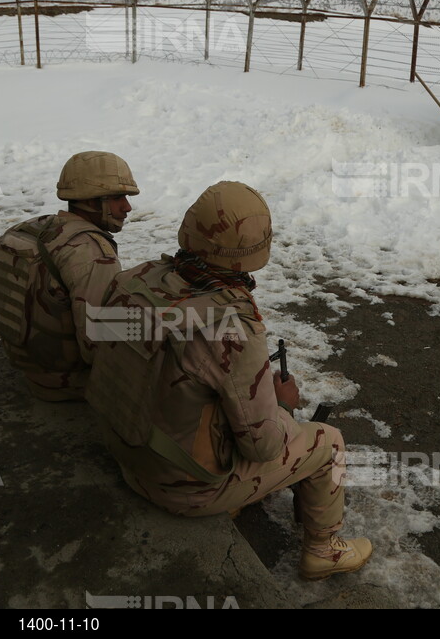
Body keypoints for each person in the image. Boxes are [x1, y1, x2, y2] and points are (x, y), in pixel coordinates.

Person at [86, 181, 372, 581]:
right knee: (330, 443)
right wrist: (282, 403)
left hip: (127, 456)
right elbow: (263, 445)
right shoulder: (231, 326)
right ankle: (322, 550)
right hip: (180, 489)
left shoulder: (136, 279)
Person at [0, 151, 139, 401]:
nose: (127, 207)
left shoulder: (32, 228)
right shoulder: (90, 252)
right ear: (91, 200)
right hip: (69, 382)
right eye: (117, 197)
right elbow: (98, 343)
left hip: (30, 366)